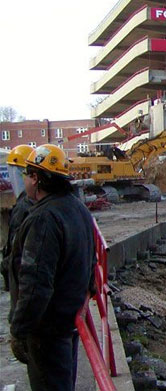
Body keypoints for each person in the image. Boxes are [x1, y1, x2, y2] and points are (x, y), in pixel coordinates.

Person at [8, 144, 95, 391]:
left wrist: (19, 330)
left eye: (27, 174)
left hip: (47, 332)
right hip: (69, 323)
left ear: (36, 178)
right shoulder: (78, 209)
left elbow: (35, 284)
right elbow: (91, 260)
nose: (24, 179)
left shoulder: (43, 220)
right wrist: (90, 291)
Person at [1, 145, 34, 292]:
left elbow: (18, 250)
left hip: (22, 282)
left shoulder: (24, 207)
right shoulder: (33, 203)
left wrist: (5, 266)